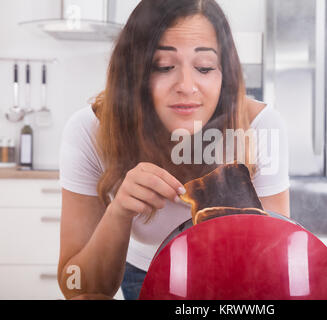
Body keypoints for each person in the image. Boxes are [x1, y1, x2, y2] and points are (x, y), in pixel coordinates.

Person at [57, 0, 290, 300]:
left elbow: (276, 269)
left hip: (231, 282)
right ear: (134, 74)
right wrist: (119, 212)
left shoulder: (259, 128)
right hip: (140, 273)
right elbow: (76, 287)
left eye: (204, 67)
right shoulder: (92, 131)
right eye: (164, 67)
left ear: (225, 74)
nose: (187, 86)